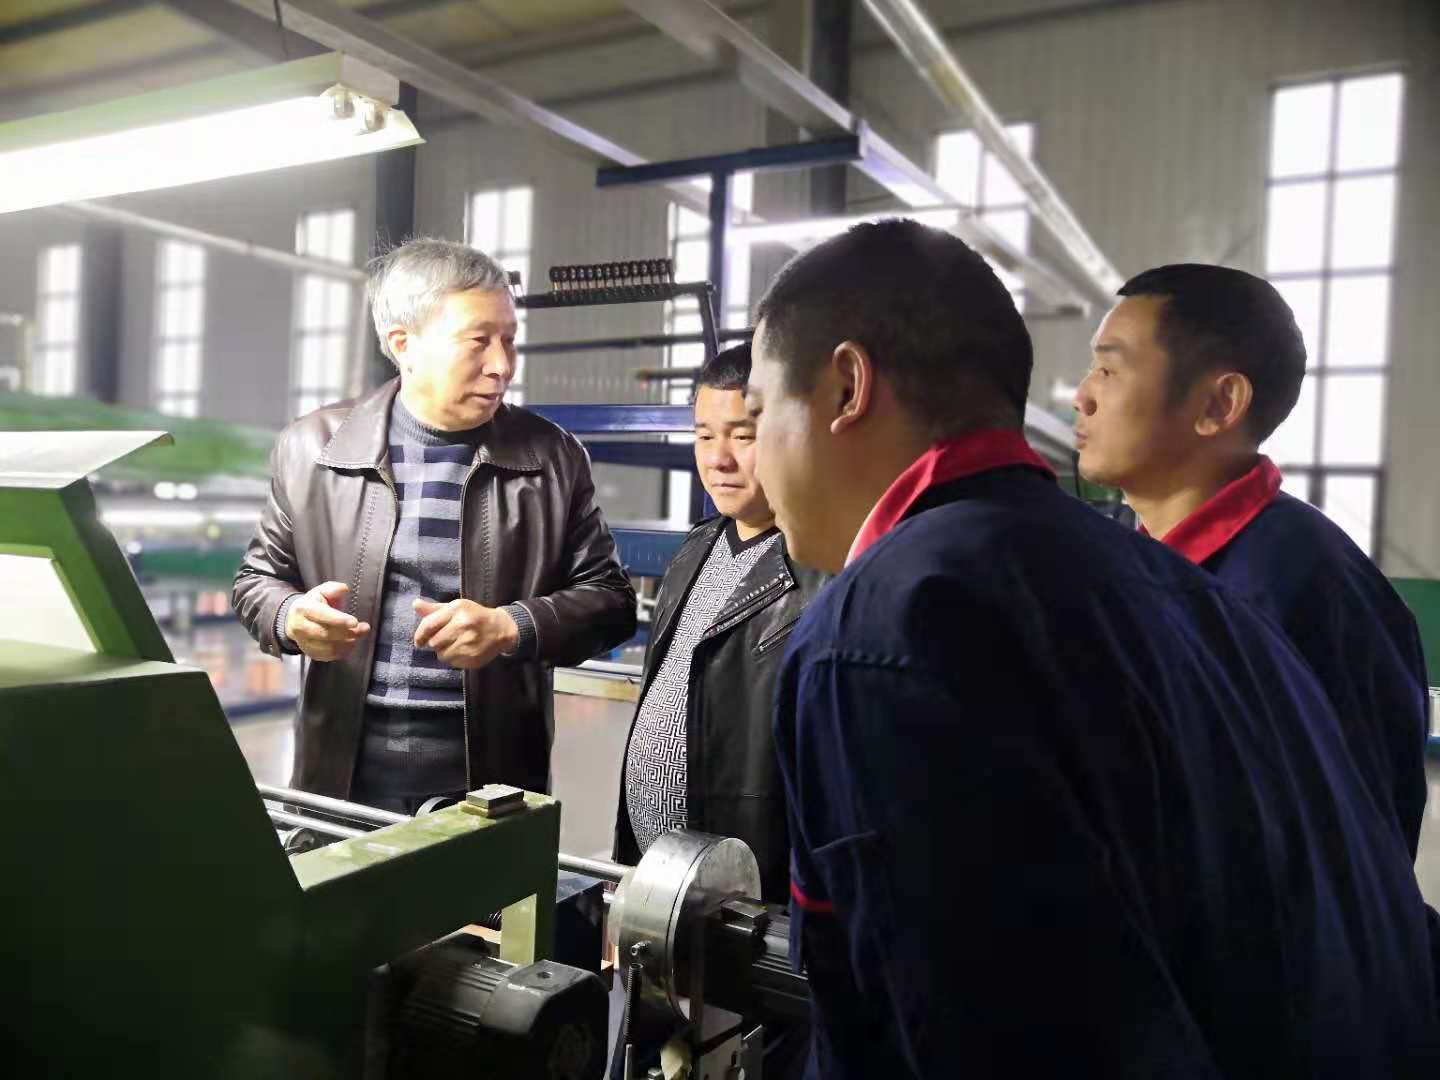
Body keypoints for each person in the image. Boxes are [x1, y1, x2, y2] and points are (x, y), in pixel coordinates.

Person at [745, 220, 1438, 1077]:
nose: (755, 460)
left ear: (848, 386)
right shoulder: (1166, 585)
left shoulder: (890, 628)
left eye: (759, 414)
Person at [234, 238, 636, 811]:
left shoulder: (552, 458)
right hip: (341, 774)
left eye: (509, 340)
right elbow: (256, 581)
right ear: (405, 344)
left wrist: (510, 626)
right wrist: (289, 615)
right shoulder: (313, 448)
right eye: (478, 341)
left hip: (493, 783)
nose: (502, 365)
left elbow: (611, 601)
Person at [1073, 263, 1430, 856]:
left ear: (1220, 404)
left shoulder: (1294, 593)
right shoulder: (1146, 568)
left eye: (1109, 369)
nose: (1082, 396)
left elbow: (1340, 858)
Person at [614, 341, 823, 903]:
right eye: (705, 436)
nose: (718, 459)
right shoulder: (697, 549)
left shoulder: (820, 570)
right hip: (659, 883)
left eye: (742, 436)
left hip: (748, 894)